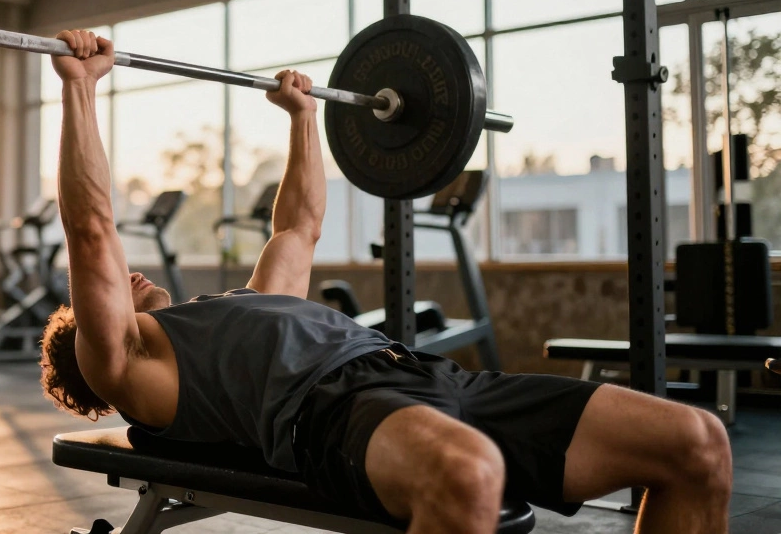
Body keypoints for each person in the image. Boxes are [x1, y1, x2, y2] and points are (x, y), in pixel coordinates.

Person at [39, 30, 732, 534]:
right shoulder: (127, 364)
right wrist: (79, 90)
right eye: (94, 300)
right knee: (468, 475)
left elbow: (298, 227)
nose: (114, 280)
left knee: (696, 444)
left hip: (434, 380)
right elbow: (92, 229)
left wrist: (304, 120)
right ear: (96, 341)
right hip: (336, 412)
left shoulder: (241, 308)